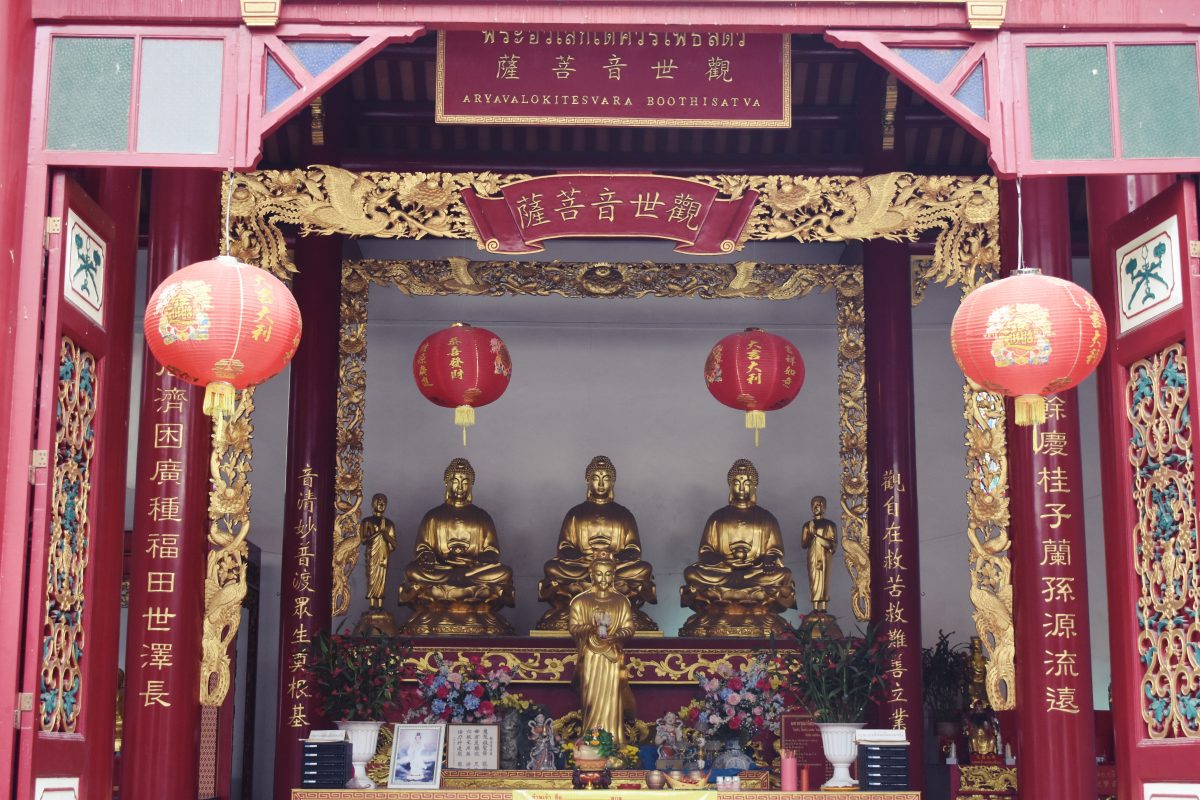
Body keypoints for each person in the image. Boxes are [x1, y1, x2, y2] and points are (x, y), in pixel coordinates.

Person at [537, 455, 657, 631]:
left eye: (606, 479)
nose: (601, 484)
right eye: (596, 478)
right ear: (588, 480)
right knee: (552, 568)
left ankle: (617, 605)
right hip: (583, 567)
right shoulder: (576, 514)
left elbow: (633, 549)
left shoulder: (624, 514)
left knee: (643, 569)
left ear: (613, 482)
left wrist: (612, 558)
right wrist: (588, 558)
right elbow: (565, 547)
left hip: (615, 569)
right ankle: (577, 608)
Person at [397, 458, 515, 635]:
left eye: (465, 482)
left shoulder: (482, 516)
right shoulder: (433, 517)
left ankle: (460, 591)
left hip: (472, 571)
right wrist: (430, 558)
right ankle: (457, 594)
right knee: (412, 571)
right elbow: (423, 549)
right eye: (455, 481)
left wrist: (473, 561)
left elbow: (492, 551)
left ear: (471, 485)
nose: (460, 487)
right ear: (447, 482)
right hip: (442, 570)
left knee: (504, 572)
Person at [680, 459, 796, 636]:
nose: (742, 487)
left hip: (754, 573)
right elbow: (705, 552)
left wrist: (769, 560)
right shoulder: (718, 518)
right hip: (723, 573)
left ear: (755, 486)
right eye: (737, 482)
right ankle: (738, 598)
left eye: (747, 483)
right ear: (730, 485)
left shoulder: (766, 518)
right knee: (691, 573)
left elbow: (775, 550)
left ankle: (735, 598)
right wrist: (723, 562)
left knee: (783, 574)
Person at [569, 554, 636, 747]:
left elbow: (629, 628)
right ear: (591, 575)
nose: (604, 579)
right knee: (591, 699)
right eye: (599, 574)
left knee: (612, 698)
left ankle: (613, 742)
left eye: (608, 574)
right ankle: (590, 740)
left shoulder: (621, 601)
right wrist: (591, 628)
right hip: (591, 656)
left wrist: (615, 636)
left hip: (612, 655)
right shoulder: (581, 602)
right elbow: (573, 628)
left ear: (614, 576)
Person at [799, 495, 838, 612]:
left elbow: (833, 544)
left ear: (824, 507)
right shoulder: (807, 525)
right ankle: (815, 607)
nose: (816, 507)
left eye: (819, 504)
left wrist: (816, 535)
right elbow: (803, 544)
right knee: (814, 580)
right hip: (812, 555)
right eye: (814, 505)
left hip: (825, 556)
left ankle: (824, 607)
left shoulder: (830, 524)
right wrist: (810, 535)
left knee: (824, 579)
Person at [360, 493, 397, 609]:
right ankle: (371, 604)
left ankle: (380, 604)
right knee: (371, 577)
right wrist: (378, 533)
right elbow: (363, 540)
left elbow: (394, 544)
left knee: (382, 578)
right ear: (372, 503)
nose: (381, 504)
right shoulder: (367, 521)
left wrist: (384, 533)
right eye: (379, 501)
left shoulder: (389, 524)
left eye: (384, 502)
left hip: (384, 555)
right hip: (372, 553)